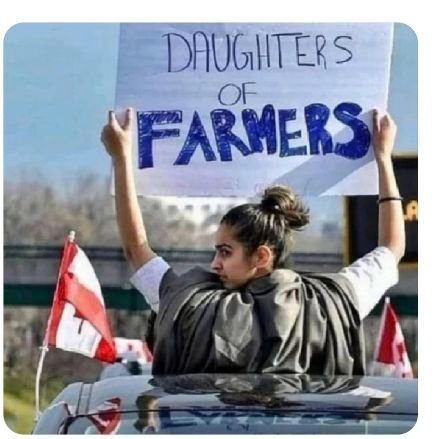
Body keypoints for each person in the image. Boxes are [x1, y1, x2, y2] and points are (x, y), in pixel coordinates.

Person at [101, 108, 405, 375]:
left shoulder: (188, 302)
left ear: (261, 256)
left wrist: (121, 158)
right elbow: (391, 248)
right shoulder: (329, 303)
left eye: (225, 252)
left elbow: (136, 247)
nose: (214, 263)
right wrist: (382, 157)